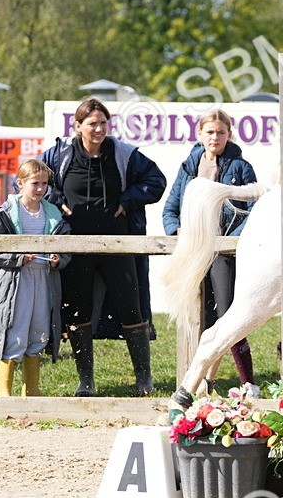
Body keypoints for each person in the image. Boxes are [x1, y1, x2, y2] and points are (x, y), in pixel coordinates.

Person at [40, 97, 167, 397]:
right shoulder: (59, 154)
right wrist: (57, 199)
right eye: (92, 123)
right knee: (77, 310)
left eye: (103, 123)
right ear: (78, 126)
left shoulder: (124, 154)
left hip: (118, 245)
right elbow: (35, 179)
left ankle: (144, 380)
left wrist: (127, 200)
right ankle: (86, 382)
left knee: (131, 308)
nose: (98, 129)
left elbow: (156, 181)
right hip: (78, 245)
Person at [162, 109, 258, 387]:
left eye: (221, 132)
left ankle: (247, 382)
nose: (215, 137)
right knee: (198, 317)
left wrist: (229, 242)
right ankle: (200, 380)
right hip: (193, 252)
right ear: (200, 134)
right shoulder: (187, 167)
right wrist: (177, 233)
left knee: (230, 314)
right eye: (210, 132)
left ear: (229, 134)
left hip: (224, 252)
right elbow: (171, 208)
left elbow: (253, 210)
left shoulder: (241, 168)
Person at [0, 160, 70, 396]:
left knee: (39, 330)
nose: (41, 188)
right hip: (15, 282)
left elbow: (66, 250)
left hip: (43, 279)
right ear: (21, 183)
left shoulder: (53, 213)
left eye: (44, 183)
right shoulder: (6, 213)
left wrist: (59, 259)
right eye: (35, 183)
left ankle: (31, 393)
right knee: (14, 331)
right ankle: (4, 395)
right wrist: (18, 258)